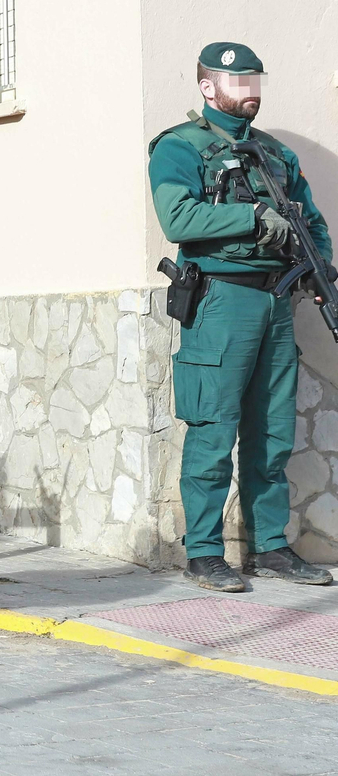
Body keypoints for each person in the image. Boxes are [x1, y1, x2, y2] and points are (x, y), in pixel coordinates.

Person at [149, 41, 335, 592]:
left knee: (273, 431)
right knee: (213, 430)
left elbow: (312, 221)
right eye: (239, 83)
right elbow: (177, 217)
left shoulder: (276, 154)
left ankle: (271, 547)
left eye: (256, 81)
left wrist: (316, 269)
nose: (250, 92)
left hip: (278, 300)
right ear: (208, 88)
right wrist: (252, 216)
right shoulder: (179, 147)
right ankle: (204, 552)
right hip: (221, 300)